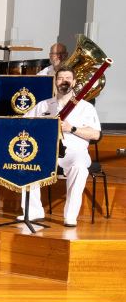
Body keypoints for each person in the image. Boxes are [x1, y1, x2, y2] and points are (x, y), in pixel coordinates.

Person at [19, 67, 100, 226]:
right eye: (60, 78)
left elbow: (96, 134)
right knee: (27, 162)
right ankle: (33, 211)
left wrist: (71, 128)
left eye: (67, 78)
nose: (63, 81)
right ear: (55, 82)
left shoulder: (86, 107)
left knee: (80, 167)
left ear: (74, 82)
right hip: (47, 150)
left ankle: (70, 216)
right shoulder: (44, 105)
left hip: (74, 152)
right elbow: (23, 124)